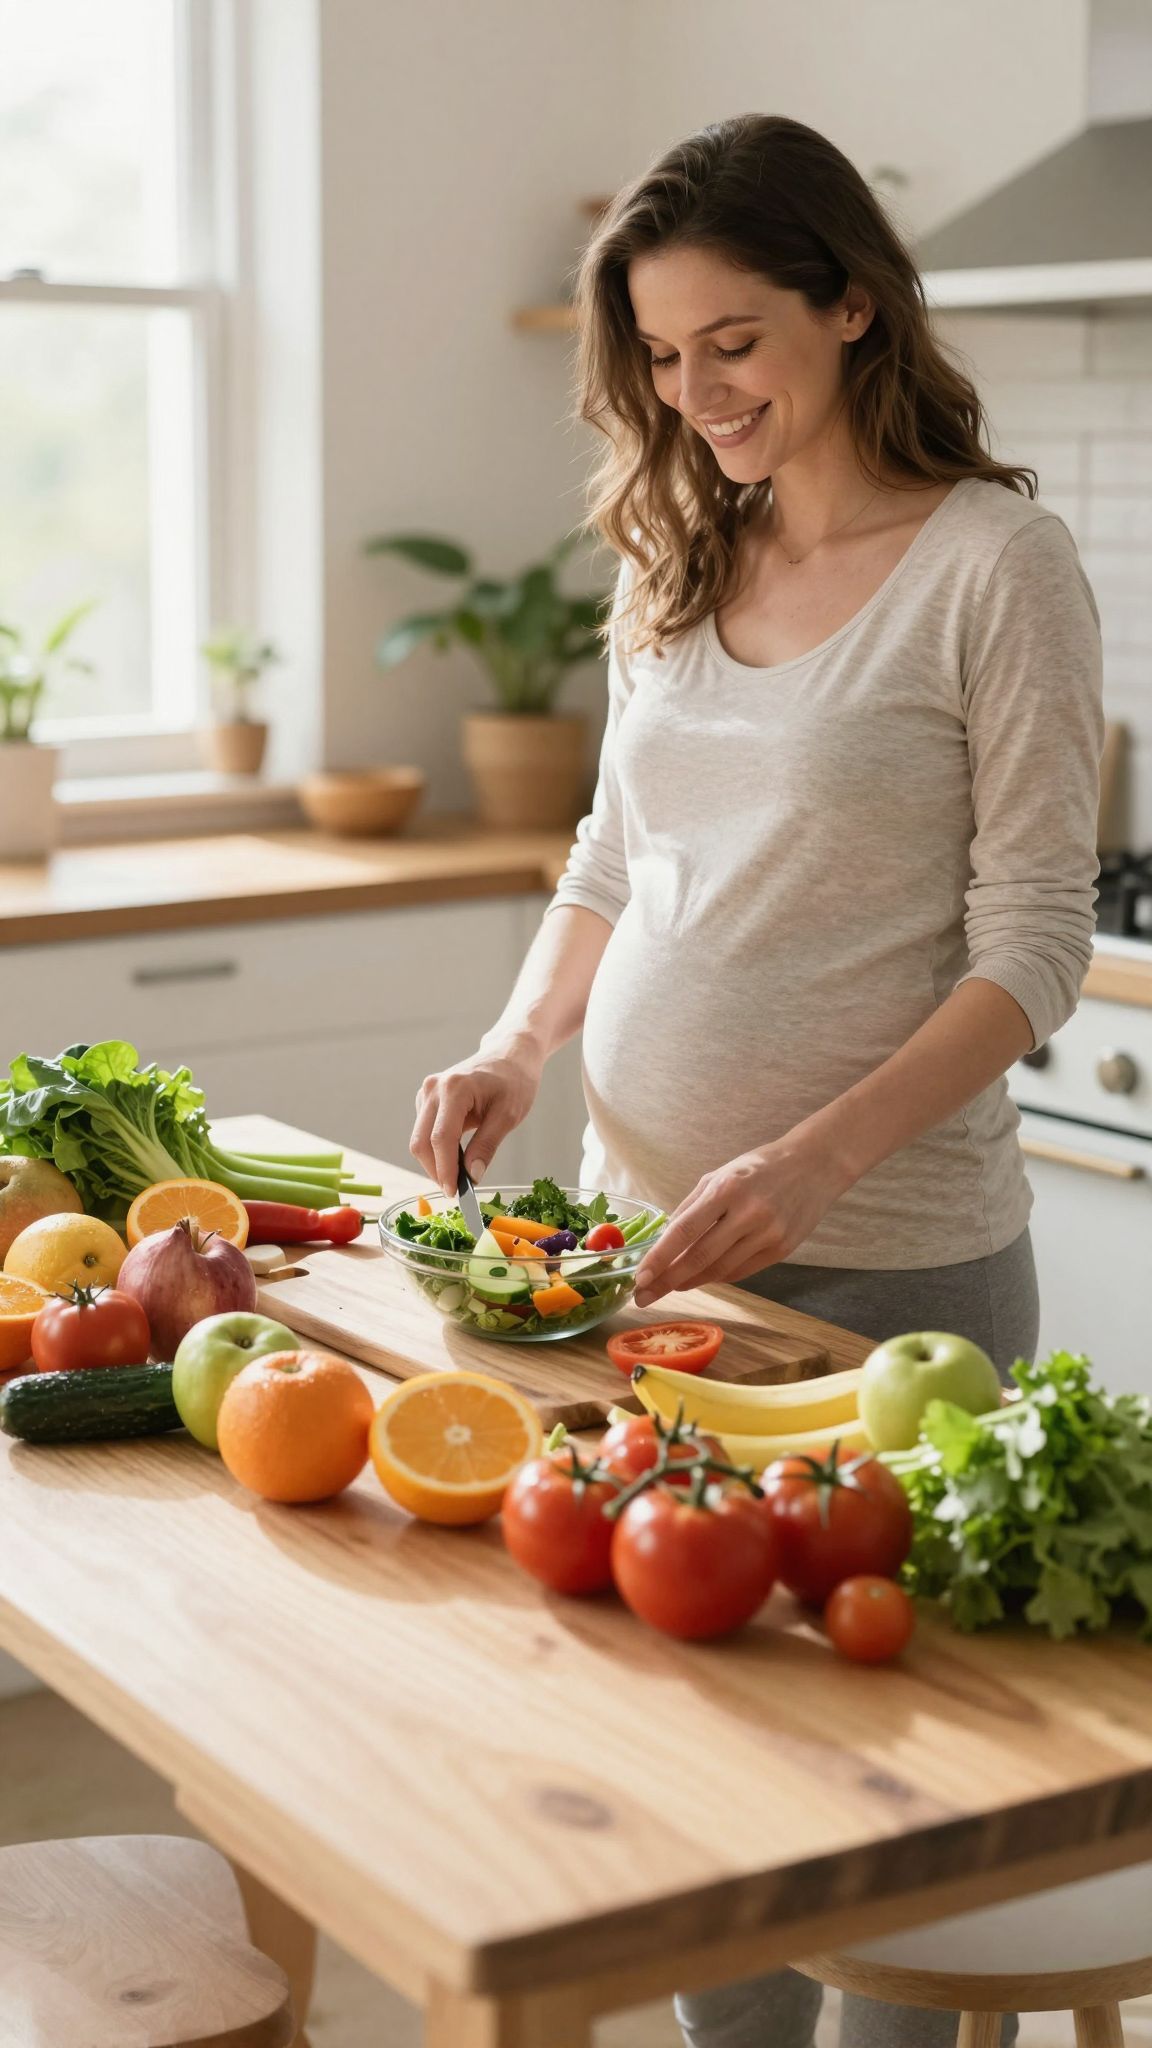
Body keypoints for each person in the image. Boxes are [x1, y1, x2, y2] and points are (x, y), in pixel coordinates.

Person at [410, 113, 1102, 2048]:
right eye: (657, 347)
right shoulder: (673, 557)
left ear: (849, 304)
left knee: (884, 1852)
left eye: (732, 338)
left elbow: (1032, 945)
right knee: (708, 1816)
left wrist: (814, 1156)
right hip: (657, 1276)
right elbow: (612, 866)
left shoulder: (996, 567)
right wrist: (515, 1043)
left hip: (894, 1288)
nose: (690, 388)